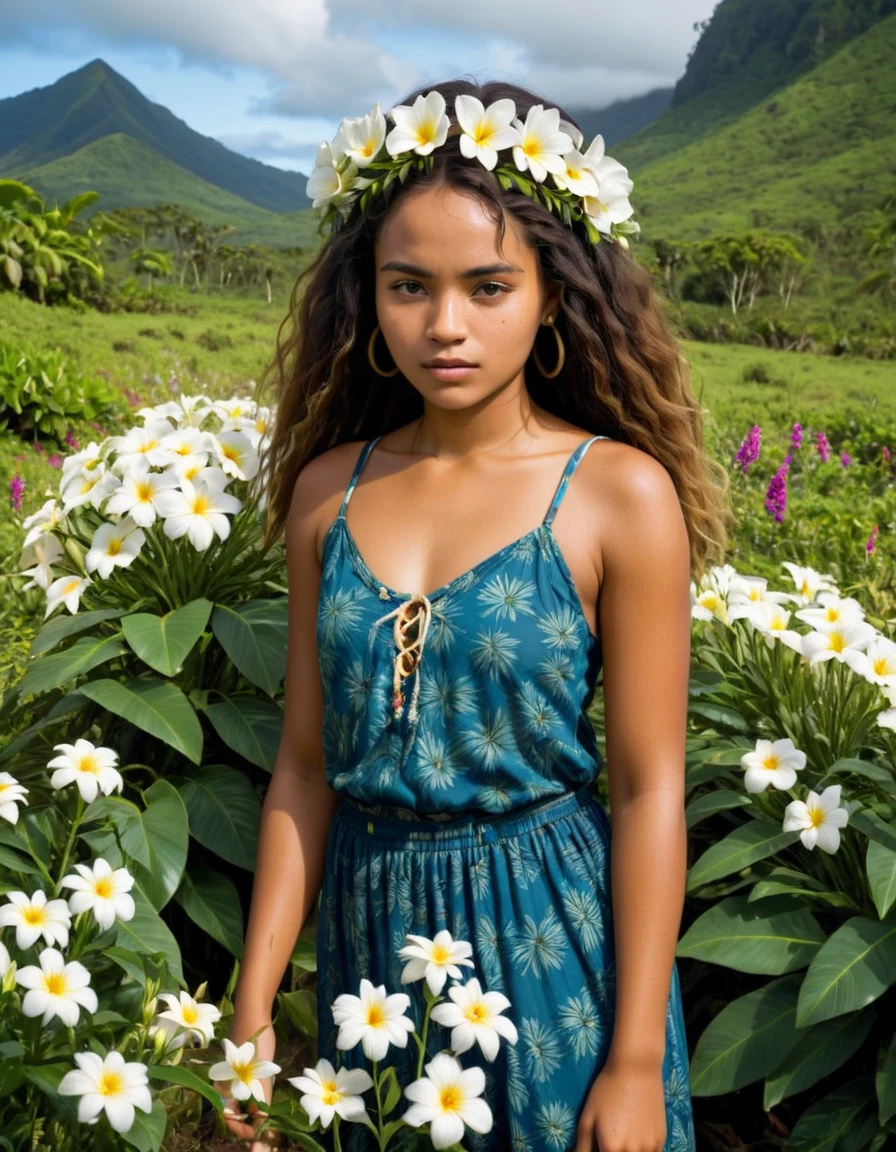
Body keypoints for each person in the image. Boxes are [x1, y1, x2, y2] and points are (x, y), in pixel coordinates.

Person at [215, 76, 730, 1152]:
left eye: (488, 286)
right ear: (368, 298)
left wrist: (635, 1056)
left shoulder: (616, 496)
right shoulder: (327, 492)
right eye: (409, 287)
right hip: (371, 941)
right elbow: (304, 769)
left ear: (552, 293)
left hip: (548, 942)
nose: (445, 325)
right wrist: (254, 1007)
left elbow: (645, 791)